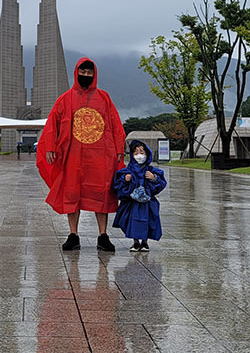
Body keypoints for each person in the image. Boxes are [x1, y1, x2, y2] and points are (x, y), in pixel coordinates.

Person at [37, 58, 125, 252]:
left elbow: (115, 123)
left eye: (89, 73)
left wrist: (119, 148)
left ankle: (103, 236)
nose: (86, 75)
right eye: (83, 72)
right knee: (72, 192)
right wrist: (50, 146)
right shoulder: (65, 98)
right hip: (72, 156)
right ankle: (73, 235)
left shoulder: (104, 98)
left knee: (102, 193)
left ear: (94, 74)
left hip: (100, 156)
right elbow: (52, 124)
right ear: (76, 73)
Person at [112, 140, 167, 251]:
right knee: (132, 221)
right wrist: (125, 179)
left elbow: (160, 183)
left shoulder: (151, 170)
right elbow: (117, 185)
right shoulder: (127, 171)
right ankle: (136, 242)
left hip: (147, 202)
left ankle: (145, 242)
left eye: (142, 153)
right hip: (132, 202)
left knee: (148, 221)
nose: (139, 156)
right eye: (136, 153)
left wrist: (154, 178)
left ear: (147, 154)